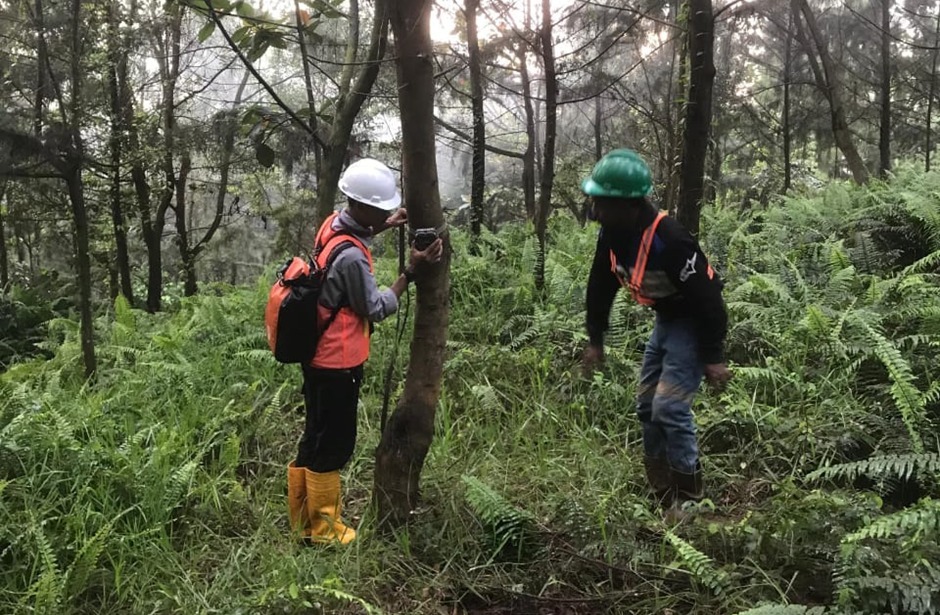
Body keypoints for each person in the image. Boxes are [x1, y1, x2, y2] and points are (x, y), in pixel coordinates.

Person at [287, 158, 443, 544]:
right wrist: (410, 274)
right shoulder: (354, 257)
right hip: (337, 363)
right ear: (363, 207)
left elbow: (351, 241)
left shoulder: (331, 225)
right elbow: (374, 307)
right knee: (334, 445)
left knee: (314, 437)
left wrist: (382, 225)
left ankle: (301, 520)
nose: (388, 213)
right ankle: (324, 529)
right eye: (382, 209)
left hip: (314, 356)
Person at [580, 149, 731, 514]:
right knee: (647, 406)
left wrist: (712, 357)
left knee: (670, 407)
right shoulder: (612, 236)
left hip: (692, 325)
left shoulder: (671, 240)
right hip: (665, 322)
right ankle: (662, 491)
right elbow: (600, 287)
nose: (595, 212)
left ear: (629, 205)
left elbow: (710, 300)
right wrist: (595, 340)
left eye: (602, 204)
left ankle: (690, 497)